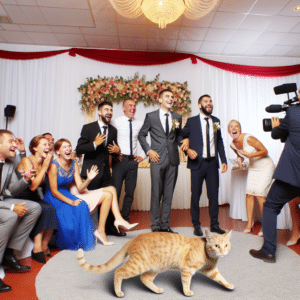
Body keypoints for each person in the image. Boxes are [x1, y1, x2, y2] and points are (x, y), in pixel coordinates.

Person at [45, 139, 137, 249]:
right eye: (64, 147)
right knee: (99, 198)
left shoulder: (73, 163)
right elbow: (54, 191)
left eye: (69, 146)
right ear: (58, 151)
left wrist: (88, 179)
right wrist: (71, 201)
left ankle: (117, 220)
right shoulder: (54, 166)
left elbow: (80, 187)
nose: (68, 149)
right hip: (54, 195)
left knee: (111, 189)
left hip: (68, 192)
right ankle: (102, 230)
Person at [250, 90, 300, 263]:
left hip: (294, 175)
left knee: (270, 206)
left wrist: (276, 125)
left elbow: (277, 134)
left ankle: (269, 251)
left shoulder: (294, 112)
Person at [179, 94, 227, 236]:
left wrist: (223, 160)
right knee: (196, 195)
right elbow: (180, 136)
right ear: (200, 105)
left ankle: (214, 225)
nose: (209, 103)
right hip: (197, 164)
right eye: (206, 101)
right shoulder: (192, 121)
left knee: (213, 195)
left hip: (212, 164)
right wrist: (187, 147)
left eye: (210, 101)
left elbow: (219, 141)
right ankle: (196, 225)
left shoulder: (216, 121)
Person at [76, 101, 125, 237]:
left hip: (106, 173)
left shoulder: (113, 130)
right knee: (90, 203)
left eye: (111, 109)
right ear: (99, 112)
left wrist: (117, 150)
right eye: (106, 109)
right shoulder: (88, 128)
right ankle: (87, 231)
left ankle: (109, 228)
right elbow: (79, 148)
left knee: (110, 199)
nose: (109, 112)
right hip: (91, 173)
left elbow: (111, 151)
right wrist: (94, 144)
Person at [0, 130, 41, 293]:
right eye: (10, 141)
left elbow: (10, 191)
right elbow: (8, 202)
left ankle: (9, 253)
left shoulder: (9, 163)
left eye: (15, 141)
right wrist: (11, 207)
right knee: (10, 215)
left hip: (2, 200)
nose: (15, 145)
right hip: (3, 206)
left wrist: (25, 179)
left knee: (34, 208)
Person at [138, 89, 182, 233]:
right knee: (156, 193)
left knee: (168, 194)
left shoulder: (177, 117)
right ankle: (156, 225)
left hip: (173, 159)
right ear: (160, 100)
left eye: (172, 96)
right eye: (167, 96)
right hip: (156, 159)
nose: (170, 99)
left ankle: (165, 225)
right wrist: (149, 151)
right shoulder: (151, 116)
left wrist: (185, 140)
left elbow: (179, 137)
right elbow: (141, 135)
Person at [228, 120, 275, 236]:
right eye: (231, 126)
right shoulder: (232, 144)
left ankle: (265, 226)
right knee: (249, 194)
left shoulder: (248, 139)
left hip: (265, 166)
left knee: (259, 195)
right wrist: (239, 159)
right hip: (253, 168)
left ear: (240, 129)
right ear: (229, 131)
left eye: (236, 126)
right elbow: (240, 155)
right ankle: (250, 223)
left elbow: (265, 151)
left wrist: (250, 156)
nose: (234, 128)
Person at [16, 136, 58, 263]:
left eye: (48, 145)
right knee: (43, 208)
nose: (48, 147)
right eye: (44, 144)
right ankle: (37, 247)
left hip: (34, 197)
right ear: (35, 148)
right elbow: (33, 186)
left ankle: (44, 245)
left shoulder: (44, 163)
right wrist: (45, 166)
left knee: (51, 207)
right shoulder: (26, 160)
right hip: (20, 197)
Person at [111, 99, 144, 222]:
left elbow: (146, 140)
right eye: (130, 105)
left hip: (133, 162)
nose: (133, 107)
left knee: (130, 193)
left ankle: (124, 218)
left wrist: (142, 155)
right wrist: (114, 154)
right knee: (116, 192)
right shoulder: (115, 122)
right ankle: (113, 219)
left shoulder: (140, 123)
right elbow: (109, 139)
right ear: (123, 108)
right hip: (119, 160)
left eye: (134, 105)